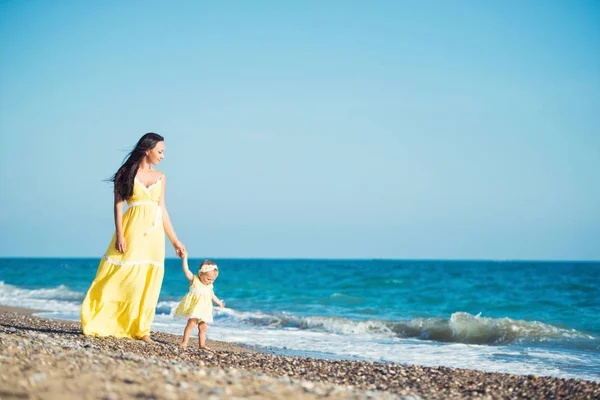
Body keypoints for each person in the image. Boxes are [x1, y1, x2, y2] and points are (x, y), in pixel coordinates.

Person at [80, 132, 186, 343]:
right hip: (131, 230)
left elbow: (162, 210)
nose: (163, 156)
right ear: (147, 150)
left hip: (154, 236)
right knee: (121, 275)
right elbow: (118, 206)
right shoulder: (125, 173)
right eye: (160, 151)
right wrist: (120, 234)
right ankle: (104, 319)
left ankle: (142, 329)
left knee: (148, 281)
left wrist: (175, 240)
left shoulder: (161, 177)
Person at [175, 254, 225, 350]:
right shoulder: (194, 280)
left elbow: (212, 295)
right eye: (209, 279)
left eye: (213, 280)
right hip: (195, 309)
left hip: (205, 309)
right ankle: (184, 342)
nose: (210, 282)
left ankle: (202, 345)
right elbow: (186, 270)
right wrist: (185, 258)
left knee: (203, 328)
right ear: (201, 274)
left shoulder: (210, 286)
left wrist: (219, 302)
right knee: (191, 324)